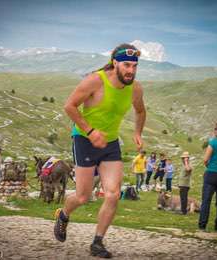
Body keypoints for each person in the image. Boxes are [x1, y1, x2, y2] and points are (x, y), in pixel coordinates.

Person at [58, 43, 146, 258]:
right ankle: (63, 214)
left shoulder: (135, 88)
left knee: (114, 194)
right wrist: (90, 131)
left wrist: (138, 132)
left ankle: (97, 242)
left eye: (135, 66)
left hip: (110, 142)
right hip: (84, 139)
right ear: (115, 62)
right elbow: (69, 106)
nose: (131, 71)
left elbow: (141, 111)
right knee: (83, 197)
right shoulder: (96, 80)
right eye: (126, 65)